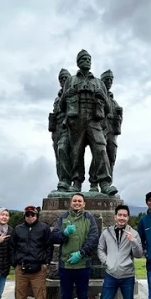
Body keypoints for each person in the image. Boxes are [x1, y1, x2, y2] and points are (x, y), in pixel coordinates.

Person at [58, 49, 117, 195]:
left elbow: (109, 108)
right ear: (78, 62)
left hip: (94, 121)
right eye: (84, 59)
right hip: (76, 121)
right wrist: (67, 95)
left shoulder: (98, 83)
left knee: (101, 149)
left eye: (89, 59)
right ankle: (76, 182)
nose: (87, 61)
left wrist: (102, 96)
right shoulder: (71, 80)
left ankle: (104, 183)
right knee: (76, 152)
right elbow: (61, 106)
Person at [90, 204, 143, 299]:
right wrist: (106, 262)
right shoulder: (106, 232)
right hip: (111, 276)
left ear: (127, 217)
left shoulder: (134, 233)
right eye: (119, 215)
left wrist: (133, 240)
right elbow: (100, 248)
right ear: (115, 217)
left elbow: (139, 254)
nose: (121, 218)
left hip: (127, 276)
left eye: (124, 215)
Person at [51, 193, 99, 299]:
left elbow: (93, 237)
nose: (77, 203)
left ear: (84, 204)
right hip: (66, 264)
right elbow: (55, 237)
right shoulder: (63, 218)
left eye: (80, 201)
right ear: (71, 203)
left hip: (82, 264)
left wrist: (81, 253)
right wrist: (64, 233)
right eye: (74, 201)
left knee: (83, 296)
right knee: (65, 296)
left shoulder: (89, 219)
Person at [11, 205, 53, 299]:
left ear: (37, 215)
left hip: (38, 271)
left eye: (33, 214)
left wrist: (45, 263)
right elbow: (12, 247)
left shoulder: (44, 228)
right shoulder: (17, 229)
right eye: (28, 215)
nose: (30, 217)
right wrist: (15, 262)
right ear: (25, 215)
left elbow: (49, 246)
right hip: (21, 270)